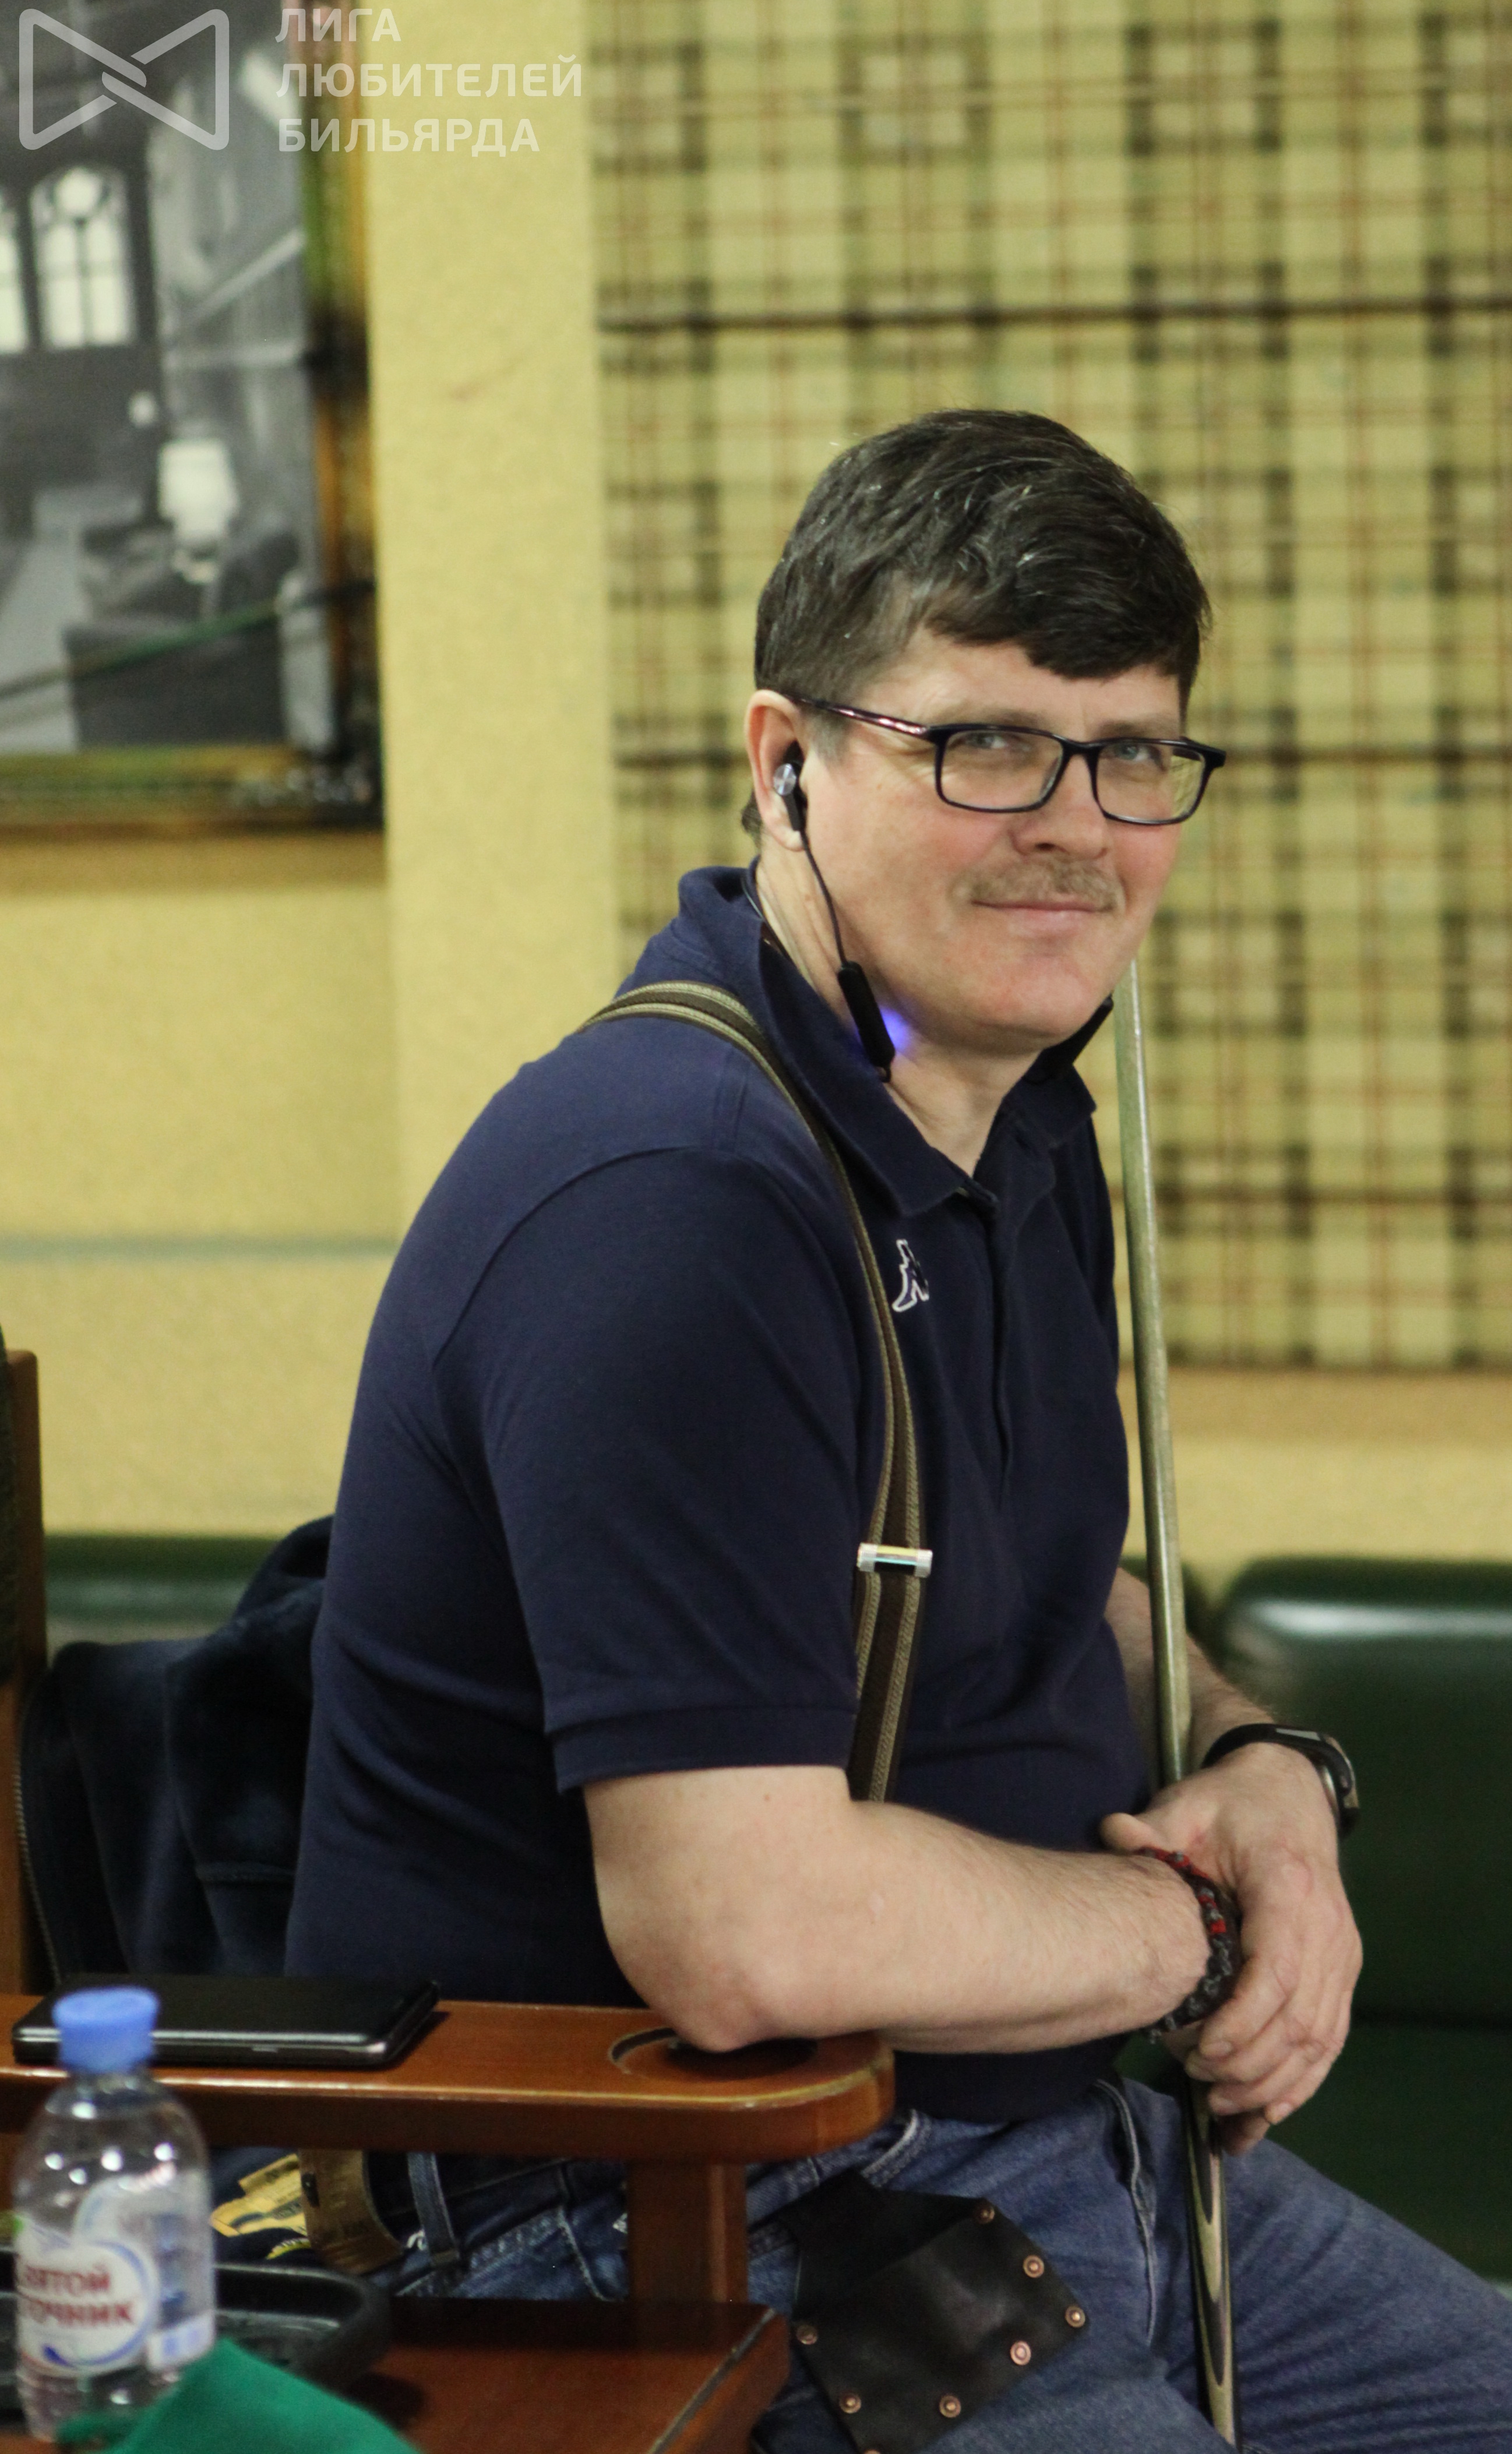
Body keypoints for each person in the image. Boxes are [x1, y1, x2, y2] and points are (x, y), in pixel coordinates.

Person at [286, 410, 1512, 2448]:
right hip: (682, 2206)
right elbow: (738, 1929)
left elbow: (1035, 1587)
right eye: (987, 746)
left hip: (1039, 2147)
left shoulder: (1010, 1117)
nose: (1078, 827)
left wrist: (1266, 1774)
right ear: (784, 759)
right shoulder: (673, 1196)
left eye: (1133, 755)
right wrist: (1196, 1929)